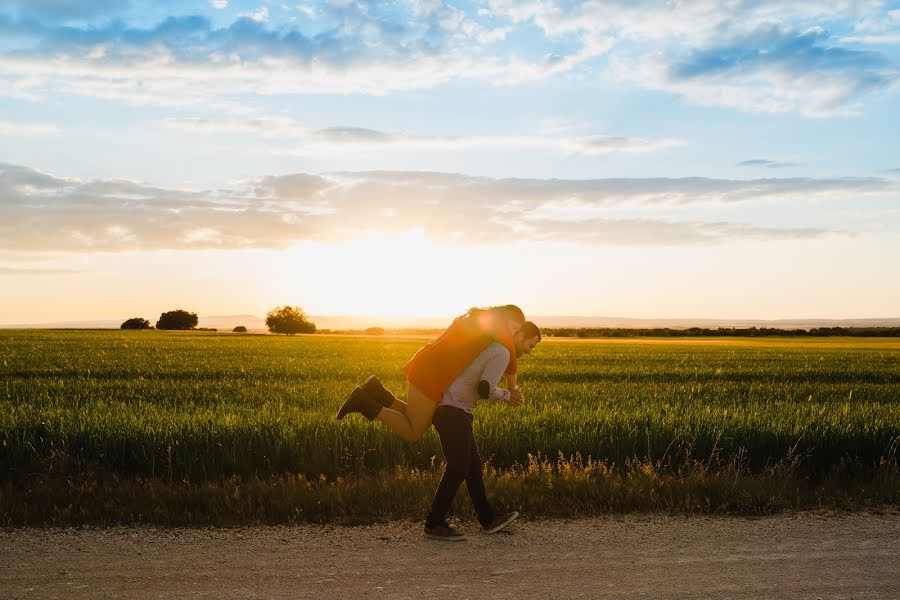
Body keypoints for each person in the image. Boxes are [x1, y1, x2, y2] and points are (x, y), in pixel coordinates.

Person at [337, 305, 526, 441]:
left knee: (422, 418)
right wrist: (512, 390)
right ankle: (362, 402)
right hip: (431, 372)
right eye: (513, 327)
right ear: (504, 317)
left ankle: (378, 393)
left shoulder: (481, 319)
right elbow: (510, 356)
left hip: (429, 365)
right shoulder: (494, 325)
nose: (511, 333)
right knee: (414, 432)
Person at [423, 320, 541, 540]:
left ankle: (488, 519)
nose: (530, 352)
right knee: (459, 468)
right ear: (520, 335)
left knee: (473, 468)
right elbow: (484, 388)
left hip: (456, 410)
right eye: (530, 346)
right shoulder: (503, 352)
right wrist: (508, 396)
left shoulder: (496, 348)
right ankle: (433, 523)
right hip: (452, 410)